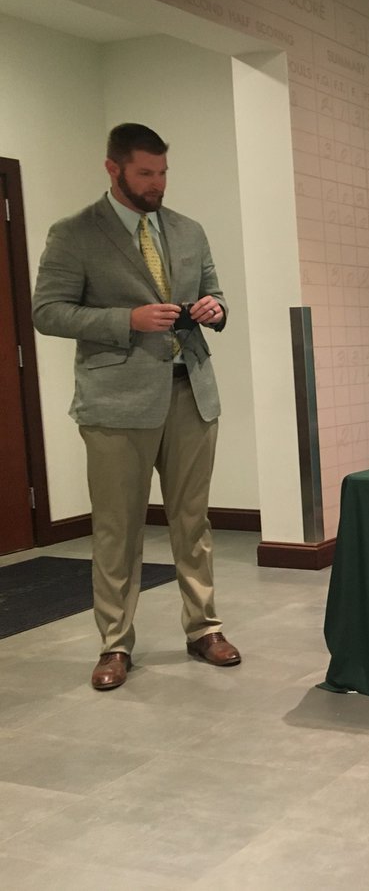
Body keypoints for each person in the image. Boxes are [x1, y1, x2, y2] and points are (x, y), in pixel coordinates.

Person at [32, 123, 241, 690]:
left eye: (164, 172)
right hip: (115, 404)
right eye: (146, 173)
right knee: (117, 529)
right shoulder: (74, 233)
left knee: (192, 522)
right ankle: (115, 644)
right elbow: (47, 312)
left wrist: (213, 310)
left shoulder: (187, 229)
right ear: (113, 168)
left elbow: (217, 292)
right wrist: (125, 320)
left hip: (191, 392)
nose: (158, 183)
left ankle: (204, 630)